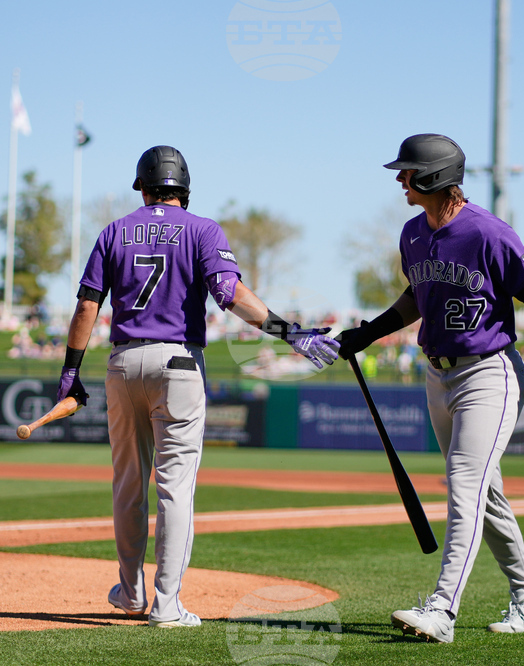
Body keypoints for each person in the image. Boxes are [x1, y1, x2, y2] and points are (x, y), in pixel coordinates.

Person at [56, 145, 338, 629]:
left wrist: (69, 374)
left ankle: (128, 592)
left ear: (143, 188)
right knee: (175, 487)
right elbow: (230, 295)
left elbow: (86, 308)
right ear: (184, 190)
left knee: (127, 484)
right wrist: (290, 332)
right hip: (180, 363)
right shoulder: (204, 229)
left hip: (123, 363)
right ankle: (166, 606)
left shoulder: (114, 231)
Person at [337, 134, 524, 644]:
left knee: (464, 484)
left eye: (408, 172)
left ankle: (442, 610)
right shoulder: (413, 233)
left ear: (433, 177)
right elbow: (416, 295)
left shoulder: (489, 232)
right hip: (437, 374)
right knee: (487, 492)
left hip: (489, 372)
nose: (400, 179)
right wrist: (366, 333)